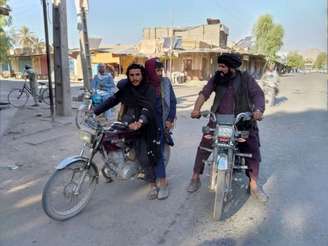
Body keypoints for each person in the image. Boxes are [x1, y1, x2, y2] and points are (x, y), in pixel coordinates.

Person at [186, 53, 268, 203]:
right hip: (218, 119)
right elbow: (205, 93)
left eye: (223, 66)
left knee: (252, 147)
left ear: (232, 67)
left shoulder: (245, 78)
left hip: (241, 120)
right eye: (219, 66)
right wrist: (196, 109)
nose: (220, 69)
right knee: (204, 145)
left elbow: (257, 94)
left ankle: (254, 184)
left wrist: (258, 110)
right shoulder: (217, 77)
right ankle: (195, 177)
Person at [94, 63, 160, 200]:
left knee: (143, 155)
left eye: (137, 75)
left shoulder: (149, 89)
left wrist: (140, 122)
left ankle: (153, 184)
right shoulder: (126, 88)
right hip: (128, 121)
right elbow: (113, 100)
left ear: (142, 75)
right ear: (128, 76)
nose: (135, 78)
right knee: (108, 139)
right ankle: (113, 167)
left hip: (146, 123)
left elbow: (148, 108)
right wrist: (95, 111)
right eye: (131, 75)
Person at [145, 58, 177, 200]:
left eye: (161, 70)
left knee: (157, 152)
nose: (159, 73)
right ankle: (152, 184)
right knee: (145, 154)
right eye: (157, 70)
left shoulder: (165, 83)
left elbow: (173, 102)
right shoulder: (143, 84)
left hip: (161, 122)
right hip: (145, 123)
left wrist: (170, 119)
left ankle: (162, 183)